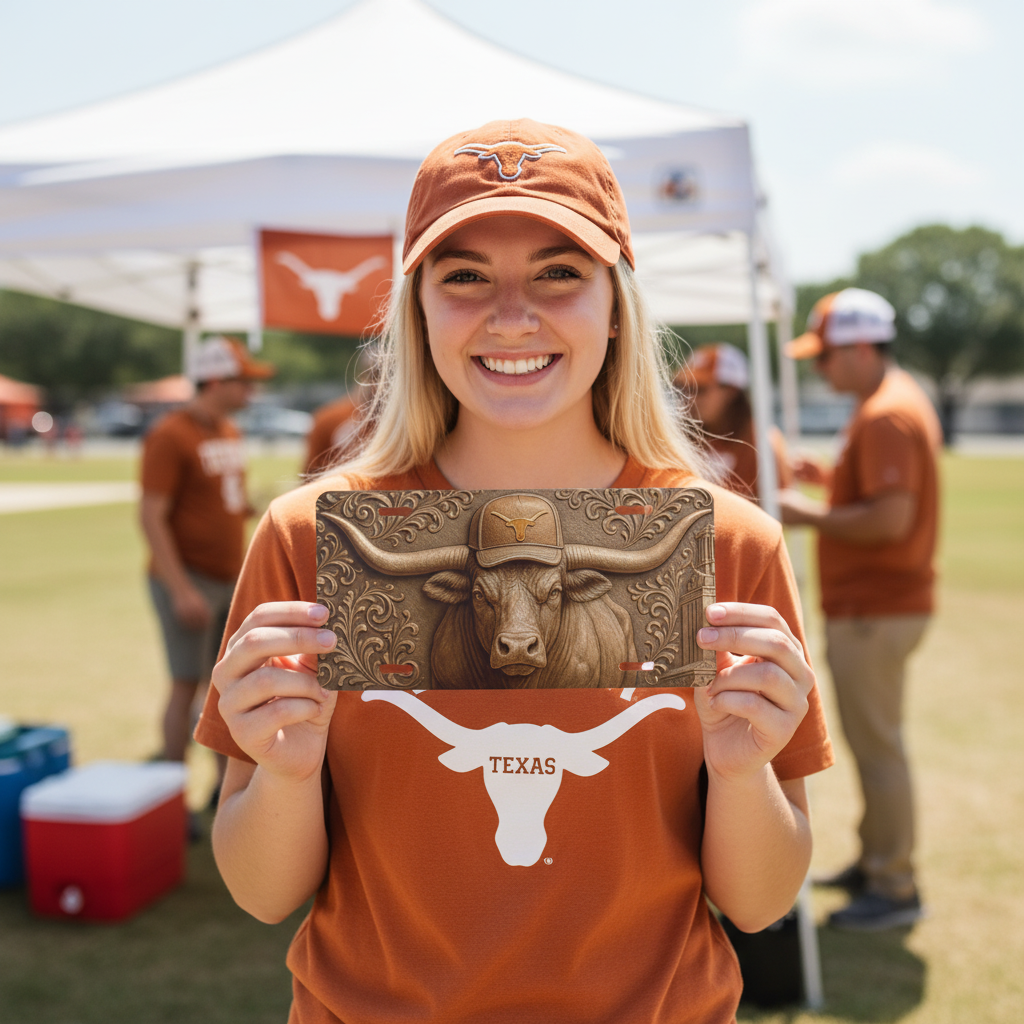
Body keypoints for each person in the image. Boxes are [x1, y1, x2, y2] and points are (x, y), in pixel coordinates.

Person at [196, 119, 833, 1024]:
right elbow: (263, 893)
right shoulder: (312, 537)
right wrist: (287, 773)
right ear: (417, 306)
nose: (511, 313)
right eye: (464, 277)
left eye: (558, 271)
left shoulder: (729, 543)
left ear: (616, 303)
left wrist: (741, 774)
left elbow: (762, 902)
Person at [779, 288, 941, 931]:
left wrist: (801, 511)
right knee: (874, 742)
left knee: (877, 748)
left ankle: (895, 884)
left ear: (861, 347)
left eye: (826, 356)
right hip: (877, 605)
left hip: (877, 604)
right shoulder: (885, 406)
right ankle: (877, 860)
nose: (820, 369)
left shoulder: (885, 415)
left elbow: (890, 519)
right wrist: (830, 481)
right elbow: (879, 497)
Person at [140, 336, 274, 785]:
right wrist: (181, 589)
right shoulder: (170, 434)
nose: (249, 393)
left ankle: (224, 786)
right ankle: (170, 789)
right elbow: (151, 515)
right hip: (189, 580)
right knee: (185, 685)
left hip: (227, 578)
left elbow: (218, 497)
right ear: (215, 380)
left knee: (225, 685)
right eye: (242, 382)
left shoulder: (229, 431)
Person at [675, 342, 791, 502]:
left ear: (731, 390)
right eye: (682, 388)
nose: (689, 398)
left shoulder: (762, 443)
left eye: (699, 389)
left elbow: (775, 515)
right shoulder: (678, 441)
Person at [302, 347, 377, 476]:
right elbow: (310, 475)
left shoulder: (402, 422)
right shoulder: (330, 418)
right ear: (363, 377)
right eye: (375, 376)